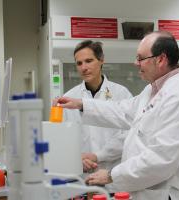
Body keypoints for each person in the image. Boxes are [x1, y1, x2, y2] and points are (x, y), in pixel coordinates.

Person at [55, 31, 179, 200]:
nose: (135, 63)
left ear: (160, 59)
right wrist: (82, 104)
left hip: (169, 193)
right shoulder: (152, 90)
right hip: (144, 189)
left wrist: (112, 175)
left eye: (140, 58)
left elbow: (161, 159)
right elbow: (123, 111)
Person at [62, 40, 132, 193]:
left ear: (101, 60)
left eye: (89, 61)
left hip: (113, 179)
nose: (84, 67)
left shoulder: (121, 94)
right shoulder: (69, 98)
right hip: (81, 182)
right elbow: (62, 141)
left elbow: (129, 135)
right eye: (79, 63)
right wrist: (77, 159)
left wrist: (98, 156)